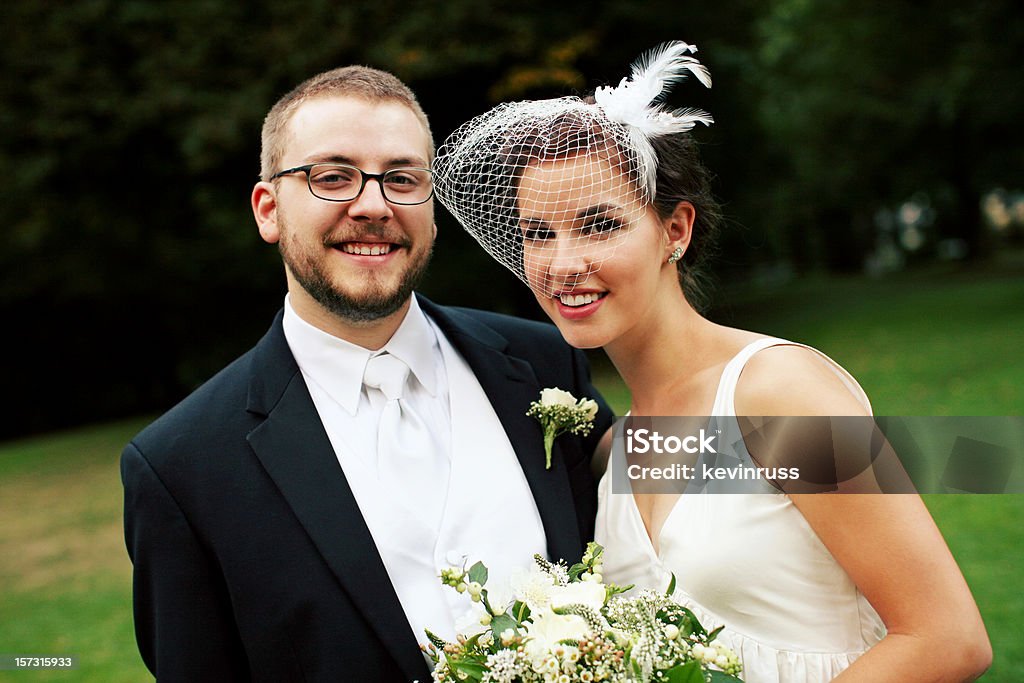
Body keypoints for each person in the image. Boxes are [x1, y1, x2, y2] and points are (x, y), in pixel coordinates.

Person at [433, 42, 992, 681]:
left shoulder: (778, 393)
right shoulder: (611, 452)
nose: (562, 264)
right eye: (539, 232)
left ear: (676, 230)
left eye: (598, 225)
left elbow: (947, 638)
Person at [120, 65, 614, 682]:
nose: (374, 205)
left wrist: (766, 412)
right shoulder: (179, 467)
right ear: (268, 209)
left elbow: (689, 487)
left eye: (403, 179)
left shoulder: (543, 361)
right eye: (332, 177)